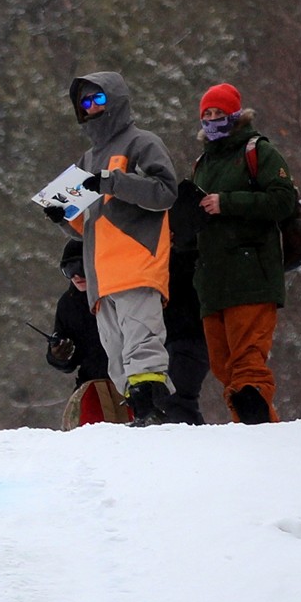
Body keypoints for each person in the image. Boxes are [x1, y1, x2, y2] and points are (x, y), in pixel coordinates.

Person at [45, 71, 180, 426]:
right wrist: (60, 214)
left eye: (98, 99)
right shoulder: (88, 159)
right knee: (117, 357)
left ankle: (154, 412)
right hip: (101, 276)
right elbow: (83, 227)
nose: (91, 108)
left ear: (116, 99)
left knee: (143, 345)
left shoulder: (141, 142)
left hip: (136, 263)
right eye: (85, 102)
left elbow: (165, 192)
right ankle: (139, 414)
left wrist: (113, 182)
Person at [192, 81, 298, 424]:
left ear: (236, 115)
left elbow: (284, 200)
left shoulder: (258, 151)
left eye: (218, 113)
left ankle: (261, 435)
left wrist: (227, 203)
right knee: (225, 368)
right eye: (206, 114)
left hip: (252, 274)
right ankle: (253, 434)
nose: (212, 119)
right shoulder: (202, 162)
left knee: (248, 365)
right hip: (212, 280)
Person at [45, 238, 130, 428]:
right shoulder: (68, 303)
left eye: (80, 266)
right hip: (93, 386)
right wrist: (59, 355)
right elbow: (68, 362)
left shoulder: (123, 294)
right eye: (67, 270)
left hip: (131, 380)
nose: (75, 275)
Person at [165, 180, 211, 425]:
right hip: (176, 338)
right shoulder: (175, 256)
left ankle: (192, 446)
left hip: (191, 338)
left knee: (176, 400)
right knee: (172, 401)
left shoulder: (191, 257)